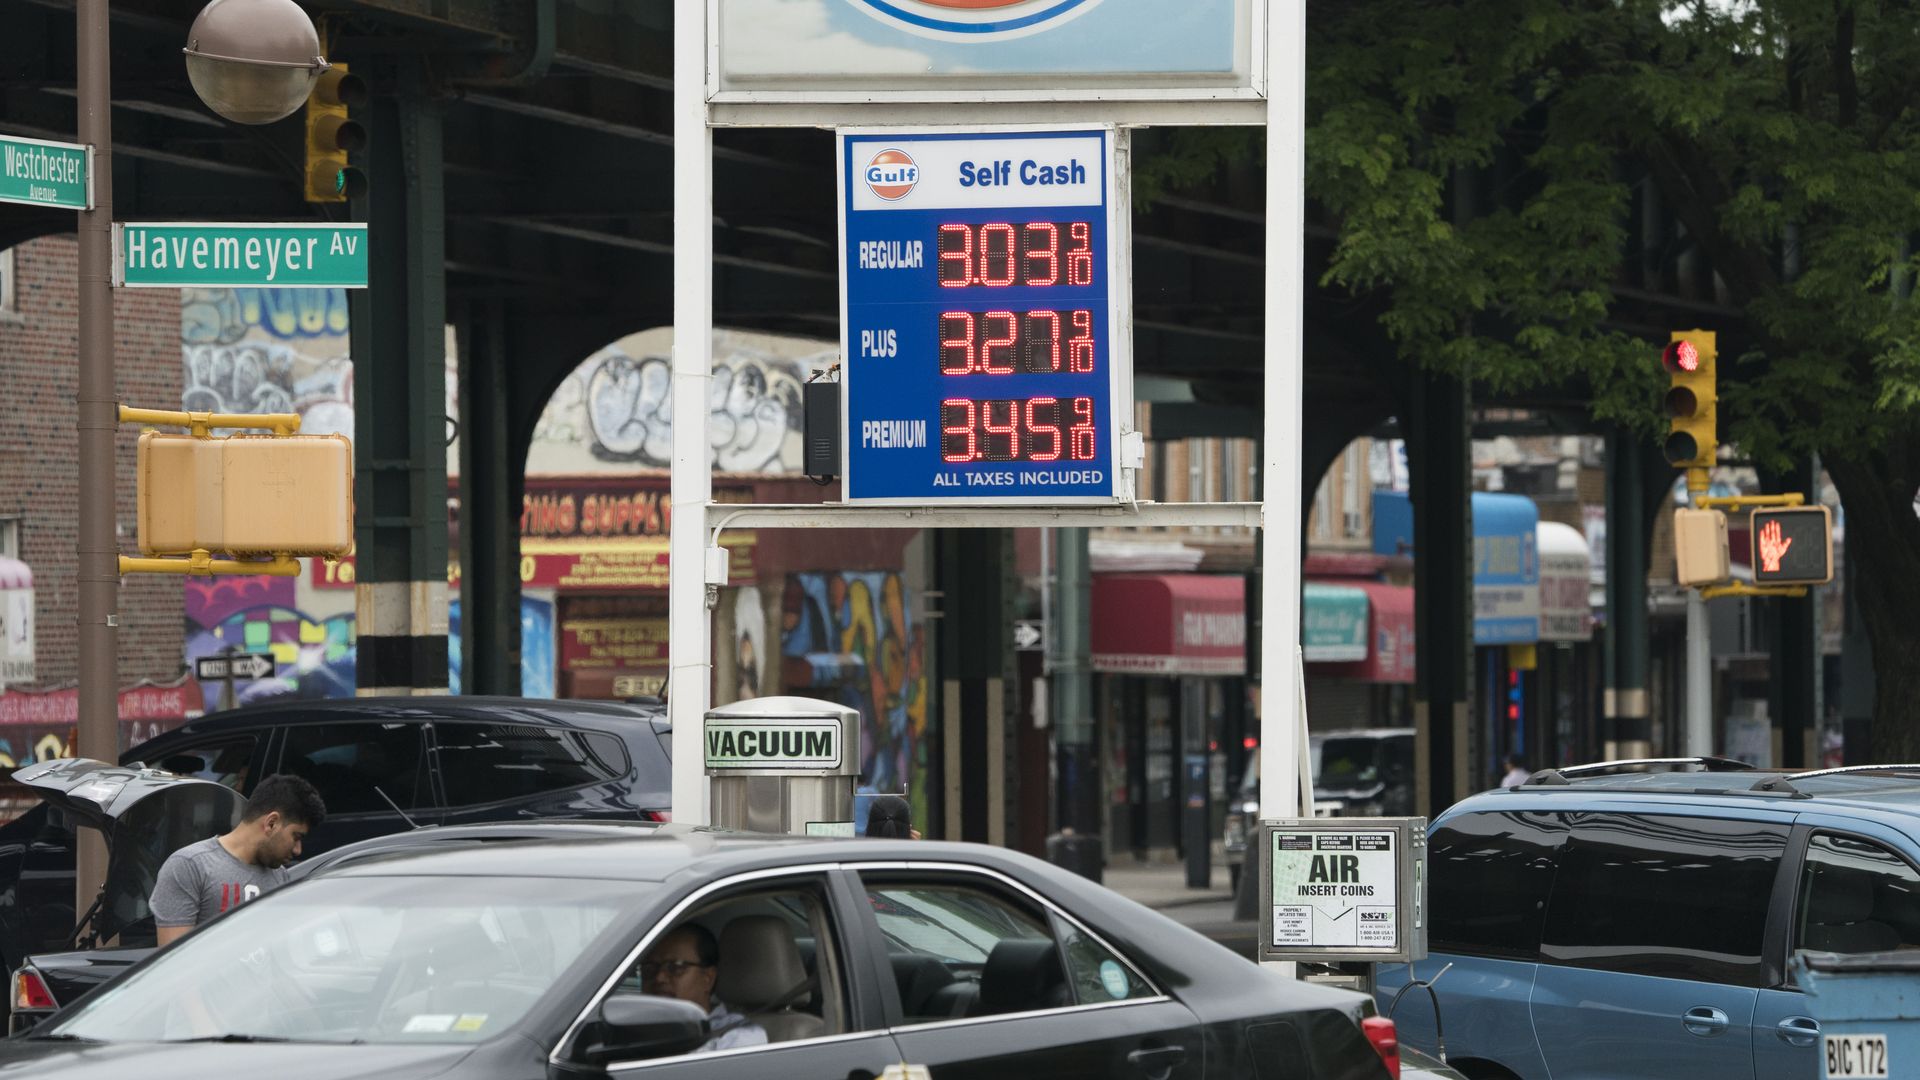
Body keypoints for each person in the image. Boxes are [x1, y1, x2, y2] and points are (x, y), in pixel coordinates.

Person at [150, 773, 327, 946]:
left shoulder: (279, 876)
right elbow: (173, 962)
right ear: (271, 823)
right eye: (296, 837)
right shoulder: (190, 865)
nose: (298, 850)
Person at [639, 925, 768, 1052]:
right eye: (650, 968)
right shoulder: (632, 1028)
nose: (659, 977)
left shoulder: (739, 1036)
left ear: (708, 978)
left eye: (676, 967)